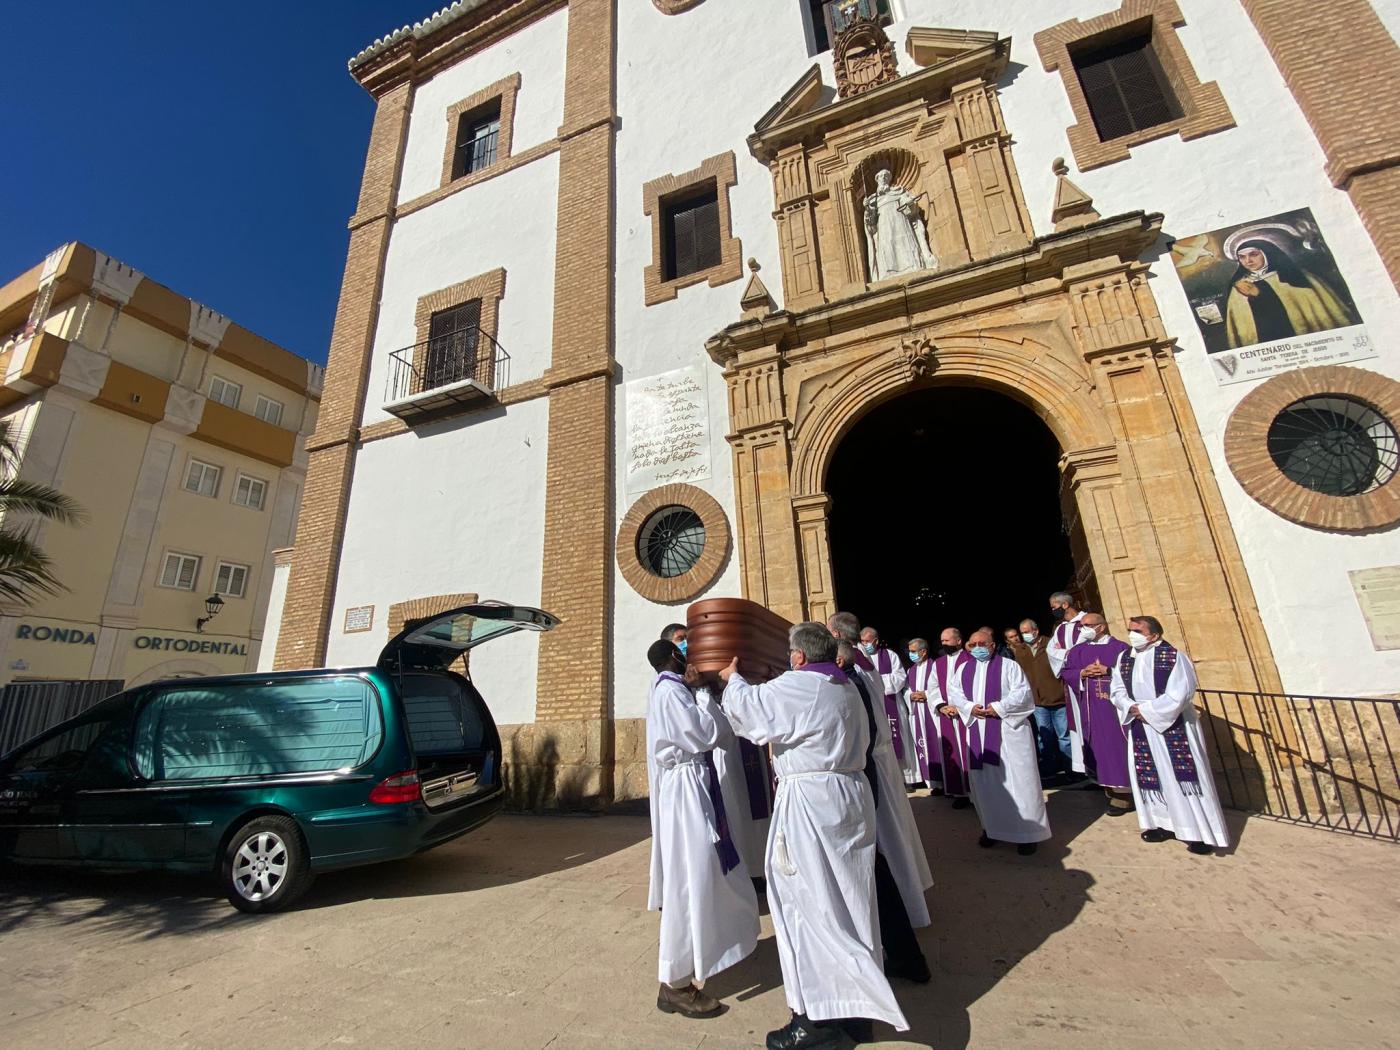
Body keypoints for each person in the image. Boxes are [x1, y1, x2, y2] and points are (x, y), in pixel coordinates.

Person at [720, 623, 908, 1049]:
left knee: (808, 905)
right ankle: (856, 1012)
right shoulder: (842, 685)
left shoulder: (803, 685)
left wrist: (732, 678)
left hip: (811, 802)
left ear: (800, 656)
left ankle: (817, 1022)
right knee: (852, 903)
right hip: (848, 797)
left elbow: (752, 714)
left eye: (790, 654)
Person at [645, 640, 759, 1018]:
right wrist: (701, 693)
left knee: (704, 873)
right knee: (690, 879)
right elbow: (705, 735)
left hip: (694, 784)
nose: (688, 655)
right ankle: (675, 982)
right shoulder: (672, 690)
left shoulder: (673, 689)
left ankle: (707, 950)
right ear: (672, 659)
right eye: (682, 650)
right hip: (687, 790)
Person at [833, 639, 933, 989]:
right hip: (861, 777)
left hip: (854, 783)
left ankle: (897, 954)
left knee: (871, 863)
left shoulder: (846, 683)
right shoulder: (860, 671)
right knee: (877, 862)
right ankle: (905, 954)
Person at [1109, 616, 1231, 854]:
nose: (1132, 634)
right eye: (1130, 630)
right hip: (1141, 724)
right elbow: (1117, 688)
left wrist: (1148, 711)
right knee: (1152, 778)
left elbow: (1181, 692)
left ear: (1154, 635)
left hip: (1171, 725)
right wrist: (1131, 707)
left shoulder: (1174, 657)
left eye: (1137, 630)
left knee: (1183, 778)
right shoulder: (1124, 658)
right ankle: (1162, 823)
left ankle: (1198, 832)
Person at [942, 628, 1051, 855]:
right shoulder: (963, 669)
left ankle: (1027, 833)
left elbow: (1022, 694)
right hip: (978, 733)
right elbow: (955, 694)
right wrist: (972, 708)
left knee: (1019, 782)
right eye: (973, 645)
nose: (977, 648)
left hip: (1008, 732)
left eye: (982, 644)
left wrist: (997, 708)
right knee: (986, 784)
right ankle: (992, 829)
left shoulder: (1009, 666)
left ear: (992, 646)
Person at [1059, 613, 1134, 815]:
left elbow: (1134, 673)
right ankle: (1106, 786)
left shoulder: (1121, 648)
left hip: (1114, 711)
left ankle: (1124, 795)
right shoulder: (1077, 651)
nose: (1083, 629)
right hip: (1090, 709)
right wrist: (1082, 673)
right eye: (1081, 626)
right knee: (1097, 747)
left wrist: (1109, 671)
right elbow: (1066, 672)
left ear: (1101, 627)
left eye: (1087, 625)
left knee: (1117, 748)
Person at [1222, 239, 1358, 349]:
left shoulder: (1297, 278)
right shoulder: (1240, 286)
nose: (1248, 261)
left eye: (1253, 254)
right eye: (1242, 257)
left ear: (1267, 254)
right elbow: (1239, 325)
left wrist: (1261, 294)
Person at [1011, 617, 1071, 779]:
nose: (1024, 635)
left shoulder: (1051, 644)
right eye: (1022, 633)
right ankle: (1049, 766)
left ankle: (1070, 768)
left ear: (1035, 631)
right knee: (1044, 736)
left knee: (1064, 736)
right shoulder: (1020, 651)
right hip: (1037, 701)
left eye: (1026, 632)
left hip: (1057, 698)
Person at [859, 626, 916, 789]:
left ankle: (906, 778)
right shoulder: (861, 658)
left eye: (867, 641)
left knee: (900, 740)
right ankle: (887, 779)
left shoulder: (890, 656)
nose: (865, 644)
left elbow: (899, 678)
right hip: (874, 706)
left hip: (892, 705)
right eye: (862, 641)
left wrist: (876, 682)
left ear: (876, 641)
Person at [1045, 591, 1093, 775]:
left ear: (1065, 605)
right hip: (1072, 682)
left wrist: (1066, 652)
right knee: (1078, 725)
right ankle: (1089, 771)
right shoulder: (1060, 628)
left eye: (1054, 607)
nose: (1052, 610)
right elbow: (1052, 651)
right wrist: (1068, 653)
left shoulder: (1086, 622)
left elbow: (1085, 646)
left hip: (1090, 681)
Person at [932, 626, 972, 808]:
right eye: (942, 641)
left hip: (966, 715)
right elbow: (932, 688)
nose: (944, 644)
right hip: (947, 714)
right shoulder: (938, 663)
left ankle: (974, 792)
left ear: (958, 641)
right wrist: (941, 706)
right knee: (954, 753)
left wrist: (961, 707)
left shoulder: (970, 660)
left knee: (968, 751)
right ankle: (960, 793)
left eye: (947, 640)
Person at [903, 637, 937, 790]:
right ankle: (930, 781)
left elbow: (941, 688)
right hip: (917, 712)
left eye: (913, 651)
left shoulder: (935, 667)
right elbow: (905, 689)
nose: (910, 654)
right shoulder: (911, 670)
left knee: (935, 744)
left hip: (932, 712)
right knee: (923, 745)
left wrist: (927, 694)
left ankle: (941, 782)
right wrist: (910, 695)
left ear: (923, 652)